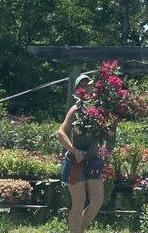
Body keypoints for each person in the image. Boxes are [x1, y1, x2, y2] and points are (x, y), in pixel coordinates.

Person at [57, 74, 106, 233]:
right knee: (78, 203)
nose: (86, 88)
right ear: (78, 91)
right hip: (75, 162)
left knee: (97, 201)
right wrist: (74, 150)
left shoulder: (99, 110)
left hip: (93, 161)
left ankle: (78, 231)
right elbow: (61, 133)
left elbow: (107, 131)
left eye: (88, 85)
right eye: (82, 86)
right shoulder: (75, 110)